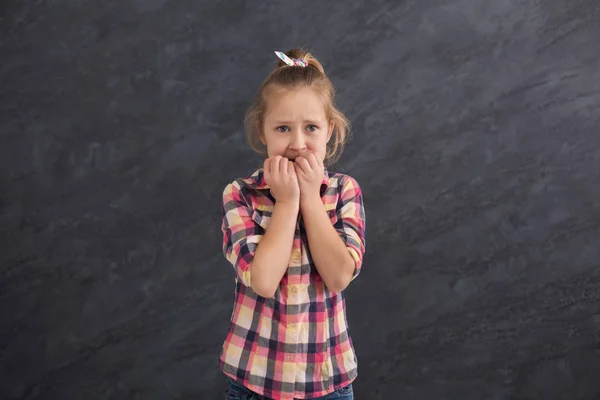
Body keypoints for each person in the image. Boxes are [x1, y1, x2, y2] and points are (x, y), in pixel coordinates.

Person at [219, 48, 366, 400]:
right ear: (263, 130)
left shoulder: (344, 191)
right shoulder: (241, 195)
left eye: (311, 128)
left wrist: (310, 200)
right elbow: (264, 282)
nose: (298, 144)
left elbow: (339, 276)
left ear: (329, 131)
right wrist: (286, 203)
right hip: (255, 382)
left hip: (327, 383)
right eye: (283, 128)